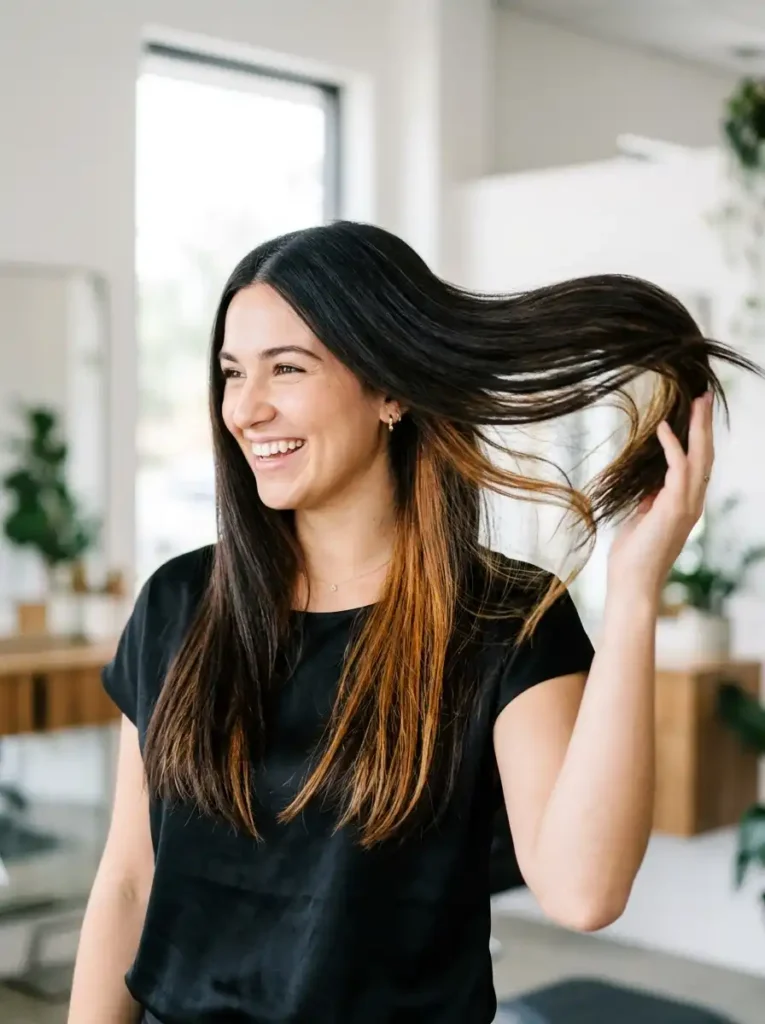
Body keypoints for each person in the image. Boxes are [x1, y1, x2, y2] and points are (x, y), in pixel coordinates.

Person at [68, 221, 755, 1024]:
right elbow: (126, 879)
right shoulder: (179, 604)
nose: (245, 409)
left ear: (390, 390)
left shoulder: (503, 623)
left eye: (287, 368)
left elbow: (583, 892)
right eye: (231, 373)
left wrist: (635, 587)